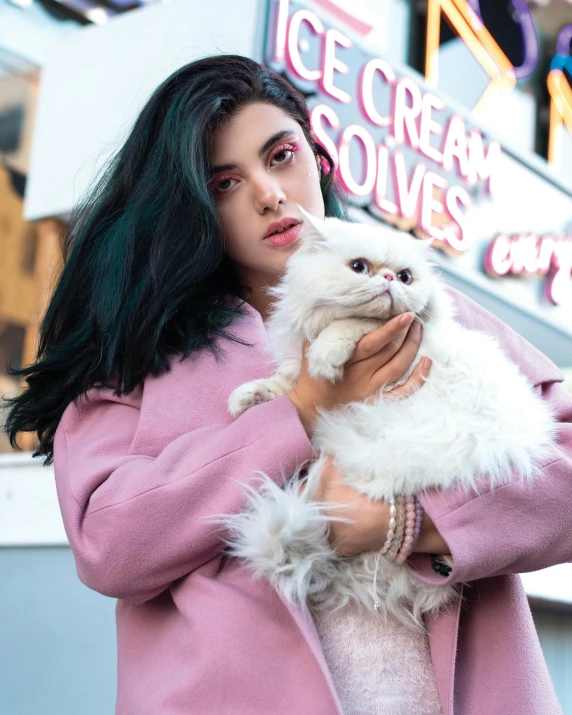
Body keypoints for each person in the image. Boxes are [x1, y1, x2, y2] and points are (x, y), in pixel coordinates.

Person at [4, 55, 570, 715]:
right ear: (188, 203)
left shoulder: (419, 306)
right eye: (224, 182)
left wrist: (406, 522)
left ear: (318, 158)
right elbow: (109, 542)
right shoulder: (140, 356)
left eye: (280, 156)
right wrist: (299, 411)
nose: (269, 193)